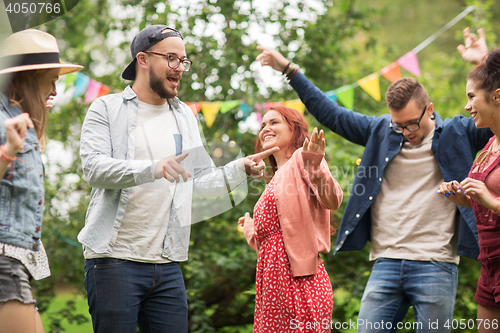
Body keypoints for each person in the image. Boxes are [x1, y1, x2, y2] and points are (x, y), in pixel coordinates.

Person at [255, 27, 492, 332]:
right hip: (386, 263)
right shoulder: (382, 131)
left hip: (436, 263)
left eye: (411, 124)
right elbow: (331, 113)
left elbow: (496, 111)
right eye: (399, 125)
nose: (406, 132)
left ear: (430, 110)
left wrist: (484, 62)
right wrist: (288, 69)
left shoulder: (460, 132)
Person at [78, 25, 277, 333]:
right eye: (172, 58)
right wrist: (154, 168)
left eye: (183, 60)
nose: (180, 68)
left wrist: (241, 168)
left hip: (167, 264)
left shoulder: (183, 114)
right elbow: (94, 169)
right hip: (114, 261)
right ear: (143, 60)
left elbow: (199, 180)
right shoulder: (106, 108)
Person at [0, 29, 82, 333]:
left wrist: (33, 117)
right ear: (31, 78)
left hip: (16, 260)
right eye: (52, 81)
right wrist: (8, 150)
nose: (56, 92)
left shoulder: (18, 121)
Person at [238, 105, 343, 332]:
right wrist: (251, 229)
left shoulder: (301, 159)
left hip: (300, 282)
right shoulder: (275, 179)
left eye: (274, 122)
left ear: (293, 129)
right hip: (272, 285)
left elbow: (333, 199)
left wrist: (314, 164)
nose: (266, 128)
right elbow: (274, 244)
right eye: (263, 124)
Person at [438, 35, 500, 333]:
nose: (466, 106)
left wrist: (490, 200)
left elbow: (493, 201)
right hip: (489, 267)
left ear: (497, 97)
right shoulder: (488, 147)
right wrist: (464, 198)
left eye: (472, 97)